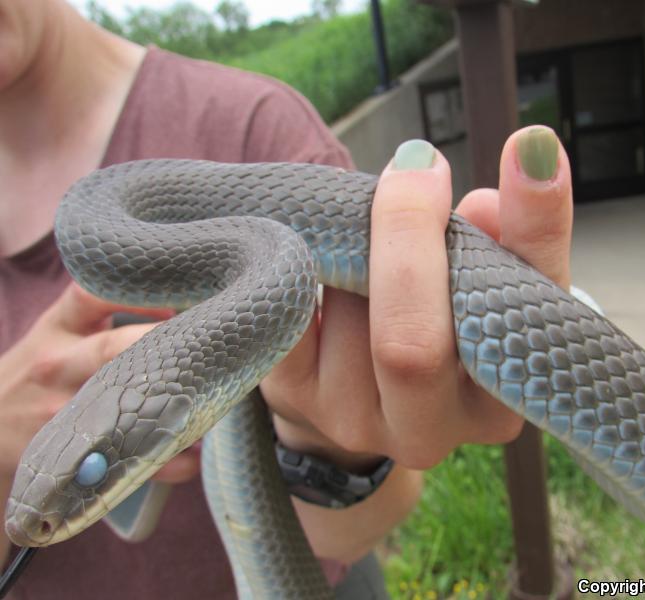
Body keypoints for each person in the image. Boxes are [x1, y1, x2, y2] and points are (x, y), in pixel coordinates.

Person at [0, 0, 574, 597]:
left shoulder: (250, 125)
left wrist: (323, 445)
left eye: (94, 469)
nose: (36, 524)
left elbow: (369, 525)